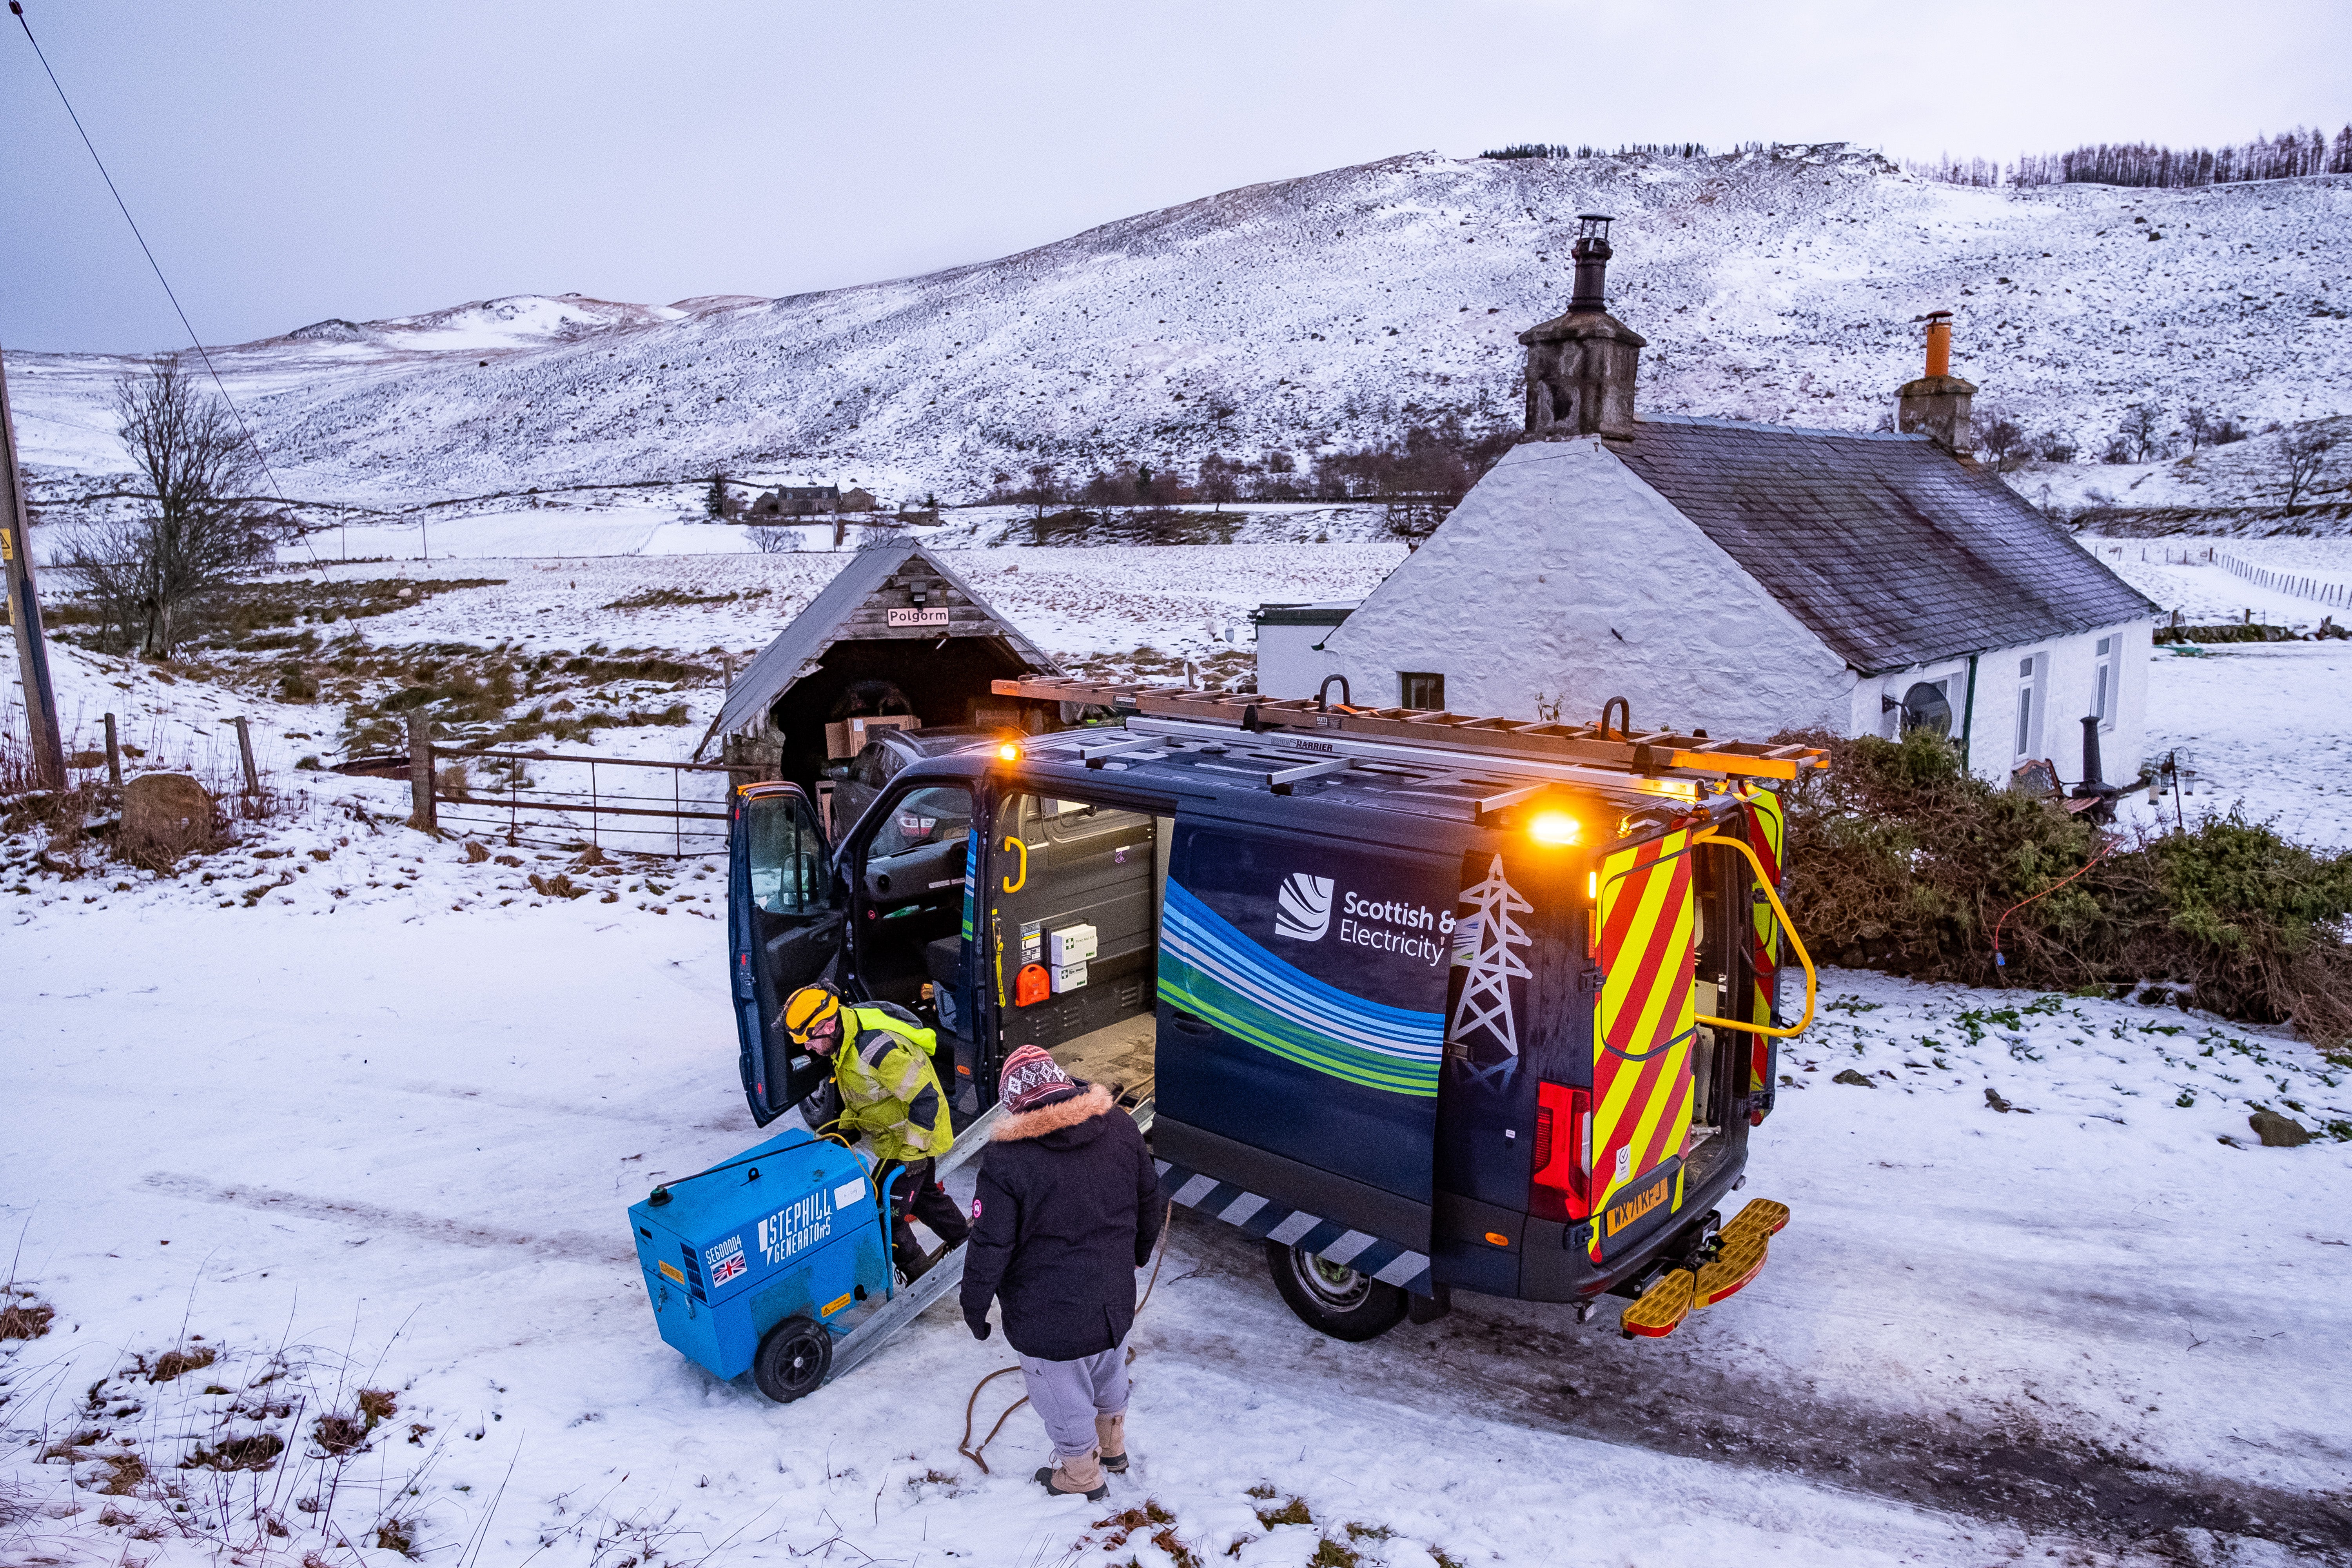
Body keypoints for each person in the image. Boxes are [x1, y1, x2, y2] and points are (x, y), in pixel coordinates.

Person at [960, 1045, 1164, 1501]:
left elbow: (990, 1245)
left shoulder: (1006, 1159)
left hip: (1046, 1314)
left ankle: (1080, 1476)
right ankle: (1112, 1449)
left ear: (1013, 1102)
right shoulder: (1120, 1125)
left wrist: (975, 1306)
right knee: (1109, 1371)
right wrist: (1138, 1254)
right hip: (1114, 1298)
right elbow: (1151, 1198)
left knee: (1061, 1395)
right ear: (1061, 1079)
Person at [782, 982, 969, 1280]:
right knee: (925, 1196)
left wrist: (913, 1153)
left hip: (912, 1140)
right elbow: (862, 1097)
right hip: (897, 1137)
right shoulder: (844, 1038)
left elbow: (926, 1098)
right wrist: (843, 1134)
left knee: (883, 1211)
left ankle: (921, 1280)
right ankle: (968, 1243)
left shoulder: (876, 1049)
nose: (807, 1047)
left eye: (810, 1039)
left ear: (829, 1024)